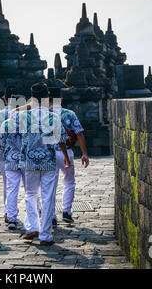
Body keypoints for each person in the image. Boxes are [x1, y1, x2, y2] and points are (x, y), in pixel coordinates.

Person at [18, 82, 71, 246]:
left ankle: (32, 226)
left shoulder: (24, 116)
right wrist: (66, 157)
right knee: (48, 197)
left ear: (32, 98)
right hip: (48, 159)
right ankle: (46, 235)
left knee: (30, 194)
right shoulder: (53, 117)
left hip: (30, 160)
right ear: (47, 97)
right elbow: (61, 139)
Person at [48, 87, 90, 224]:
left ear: (47, 100)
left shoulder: (44, 114)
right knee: (69, 182)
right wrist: (84, 153)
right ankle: (66, 211)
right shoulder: (69, 114)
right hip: (67, 151)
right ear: (61, 99)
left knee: (50, 185)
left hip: (49, 154)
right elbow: (79, 133)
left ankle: (51, 215)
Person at [0, 86, 18, 223]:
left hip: (3, 153)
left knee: (8, 184)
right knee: (31, 187)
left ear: (4, 99)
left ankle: (8, 212)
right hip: (22, 154)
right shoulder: (25, 114)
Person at [0, 109, 27, 230]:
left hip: (10, 159)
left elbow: (1, 142)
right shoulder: (27, 123)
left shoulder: (5, 124)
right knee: (30, 190)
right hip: (25, 159)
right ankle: (32, 216)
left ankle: (11, 218)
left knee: (11, 189)